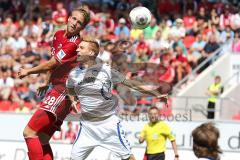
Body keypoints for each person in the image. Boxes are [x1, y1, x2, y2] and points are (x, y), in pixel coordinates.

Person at [66, 37, 169, 160]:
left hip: (108, 126)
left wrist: (155, 93)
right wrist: (72, 101)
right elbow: (70, 88)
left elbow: (130, 83)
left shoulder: (106, 70)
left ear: (91, 53)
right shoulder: (74, 74)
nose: (77, 50)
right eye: (78, 47)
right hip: (87, 127)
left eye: (81, 48)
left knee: (129, 158)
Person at [17, 7, 90, 160]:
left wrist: (29, 71)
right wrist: (46, 82)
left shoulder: (74, 43)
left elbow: (51, 63)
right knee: (42, 140)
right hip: (57, 90)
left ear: (82, 28)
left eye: (80, 23)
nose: (75, 23)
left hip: (63, 91)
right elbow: (55, 64)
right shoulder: (57, 35)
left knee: (29, 132)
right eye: (74, 19)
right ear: (69, 18)